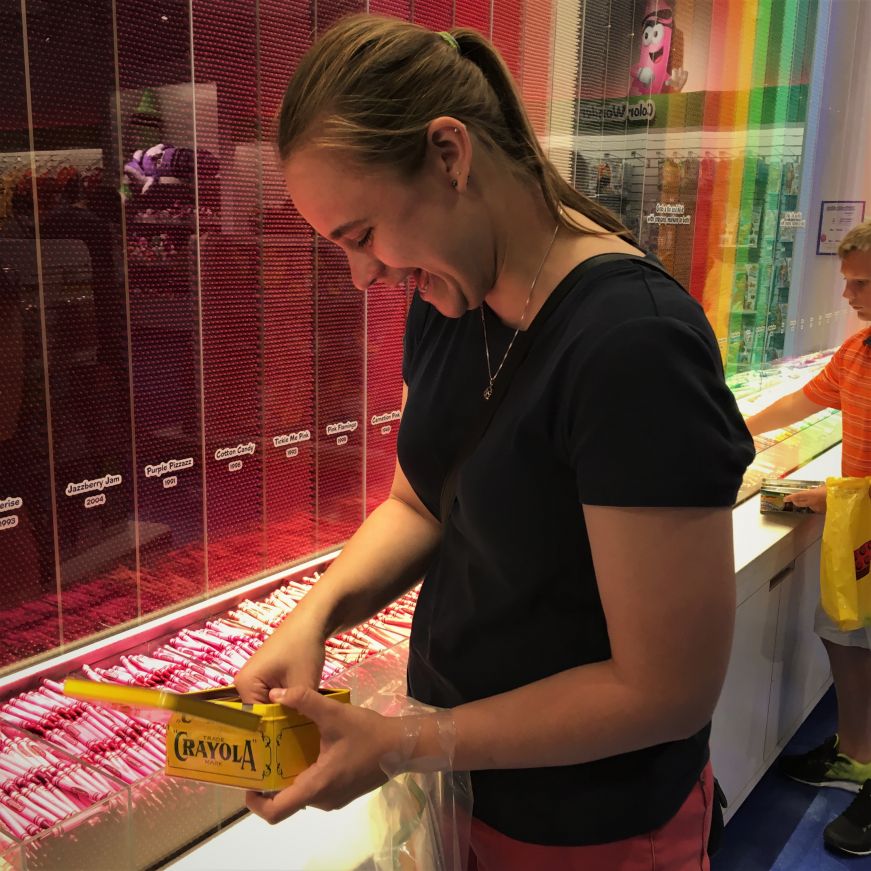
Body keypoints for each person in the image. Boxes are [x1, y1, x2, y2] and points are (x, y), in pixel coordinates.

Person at [235, 15, 754, 869]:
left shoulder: (633, 344)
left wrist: (406, 741)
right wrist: (314, 614)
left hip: (597, 828)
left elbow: (665, 688)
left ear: (449, 155)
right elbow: (419, 499)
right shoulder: (450, 302)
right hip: (468, 791)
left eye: (362, 236)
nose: (362, 276)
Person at [745, 218, 871, 858]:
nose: (848, 297)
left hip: (861, 521)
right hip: (861, 536)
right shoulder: (858, 352)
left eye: (862, 284)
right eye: (848, 282)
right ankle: (857, 752)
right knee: (846, 635)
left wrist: (834, 496)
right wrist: (736, 425)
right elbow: (803, 402)